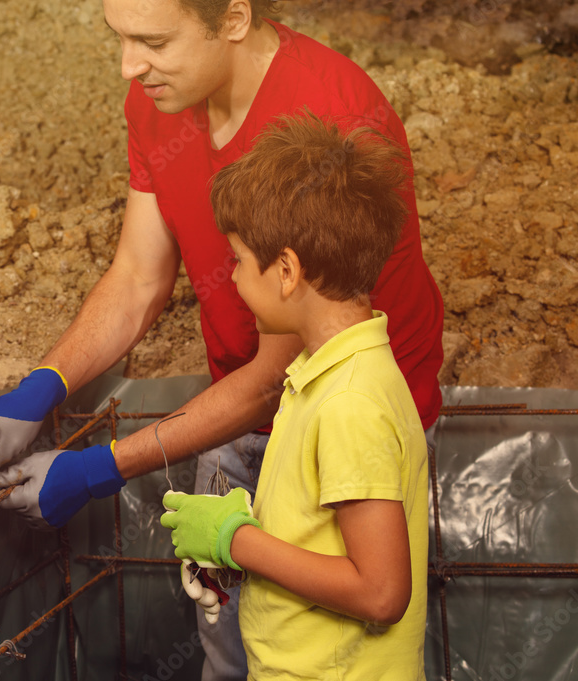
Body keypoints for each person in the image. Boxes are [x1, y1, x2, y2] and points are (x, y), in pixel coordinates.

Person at [0, 0, 443, 677]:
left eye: (152, 41)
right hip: (246, 404)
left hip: (334, 426)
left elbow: (277, 375)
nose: (129, 67)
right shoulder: (158, 99)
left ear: (234, 17)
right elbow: (138, 275)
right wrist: (42, 386)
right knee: (238, 638)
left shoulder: (330, 118)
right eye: (117, 38)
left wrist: (100, 468)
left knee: (327, 641)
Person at [161, 111, 428, 679]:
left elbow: (381, 593)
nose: (231, 277)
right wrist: (240, 553)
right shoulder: (324, 374)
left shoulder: (349, 403)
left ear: (286, 270)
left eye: (237, 260)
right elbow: (326, 544)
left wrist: (237, 540)